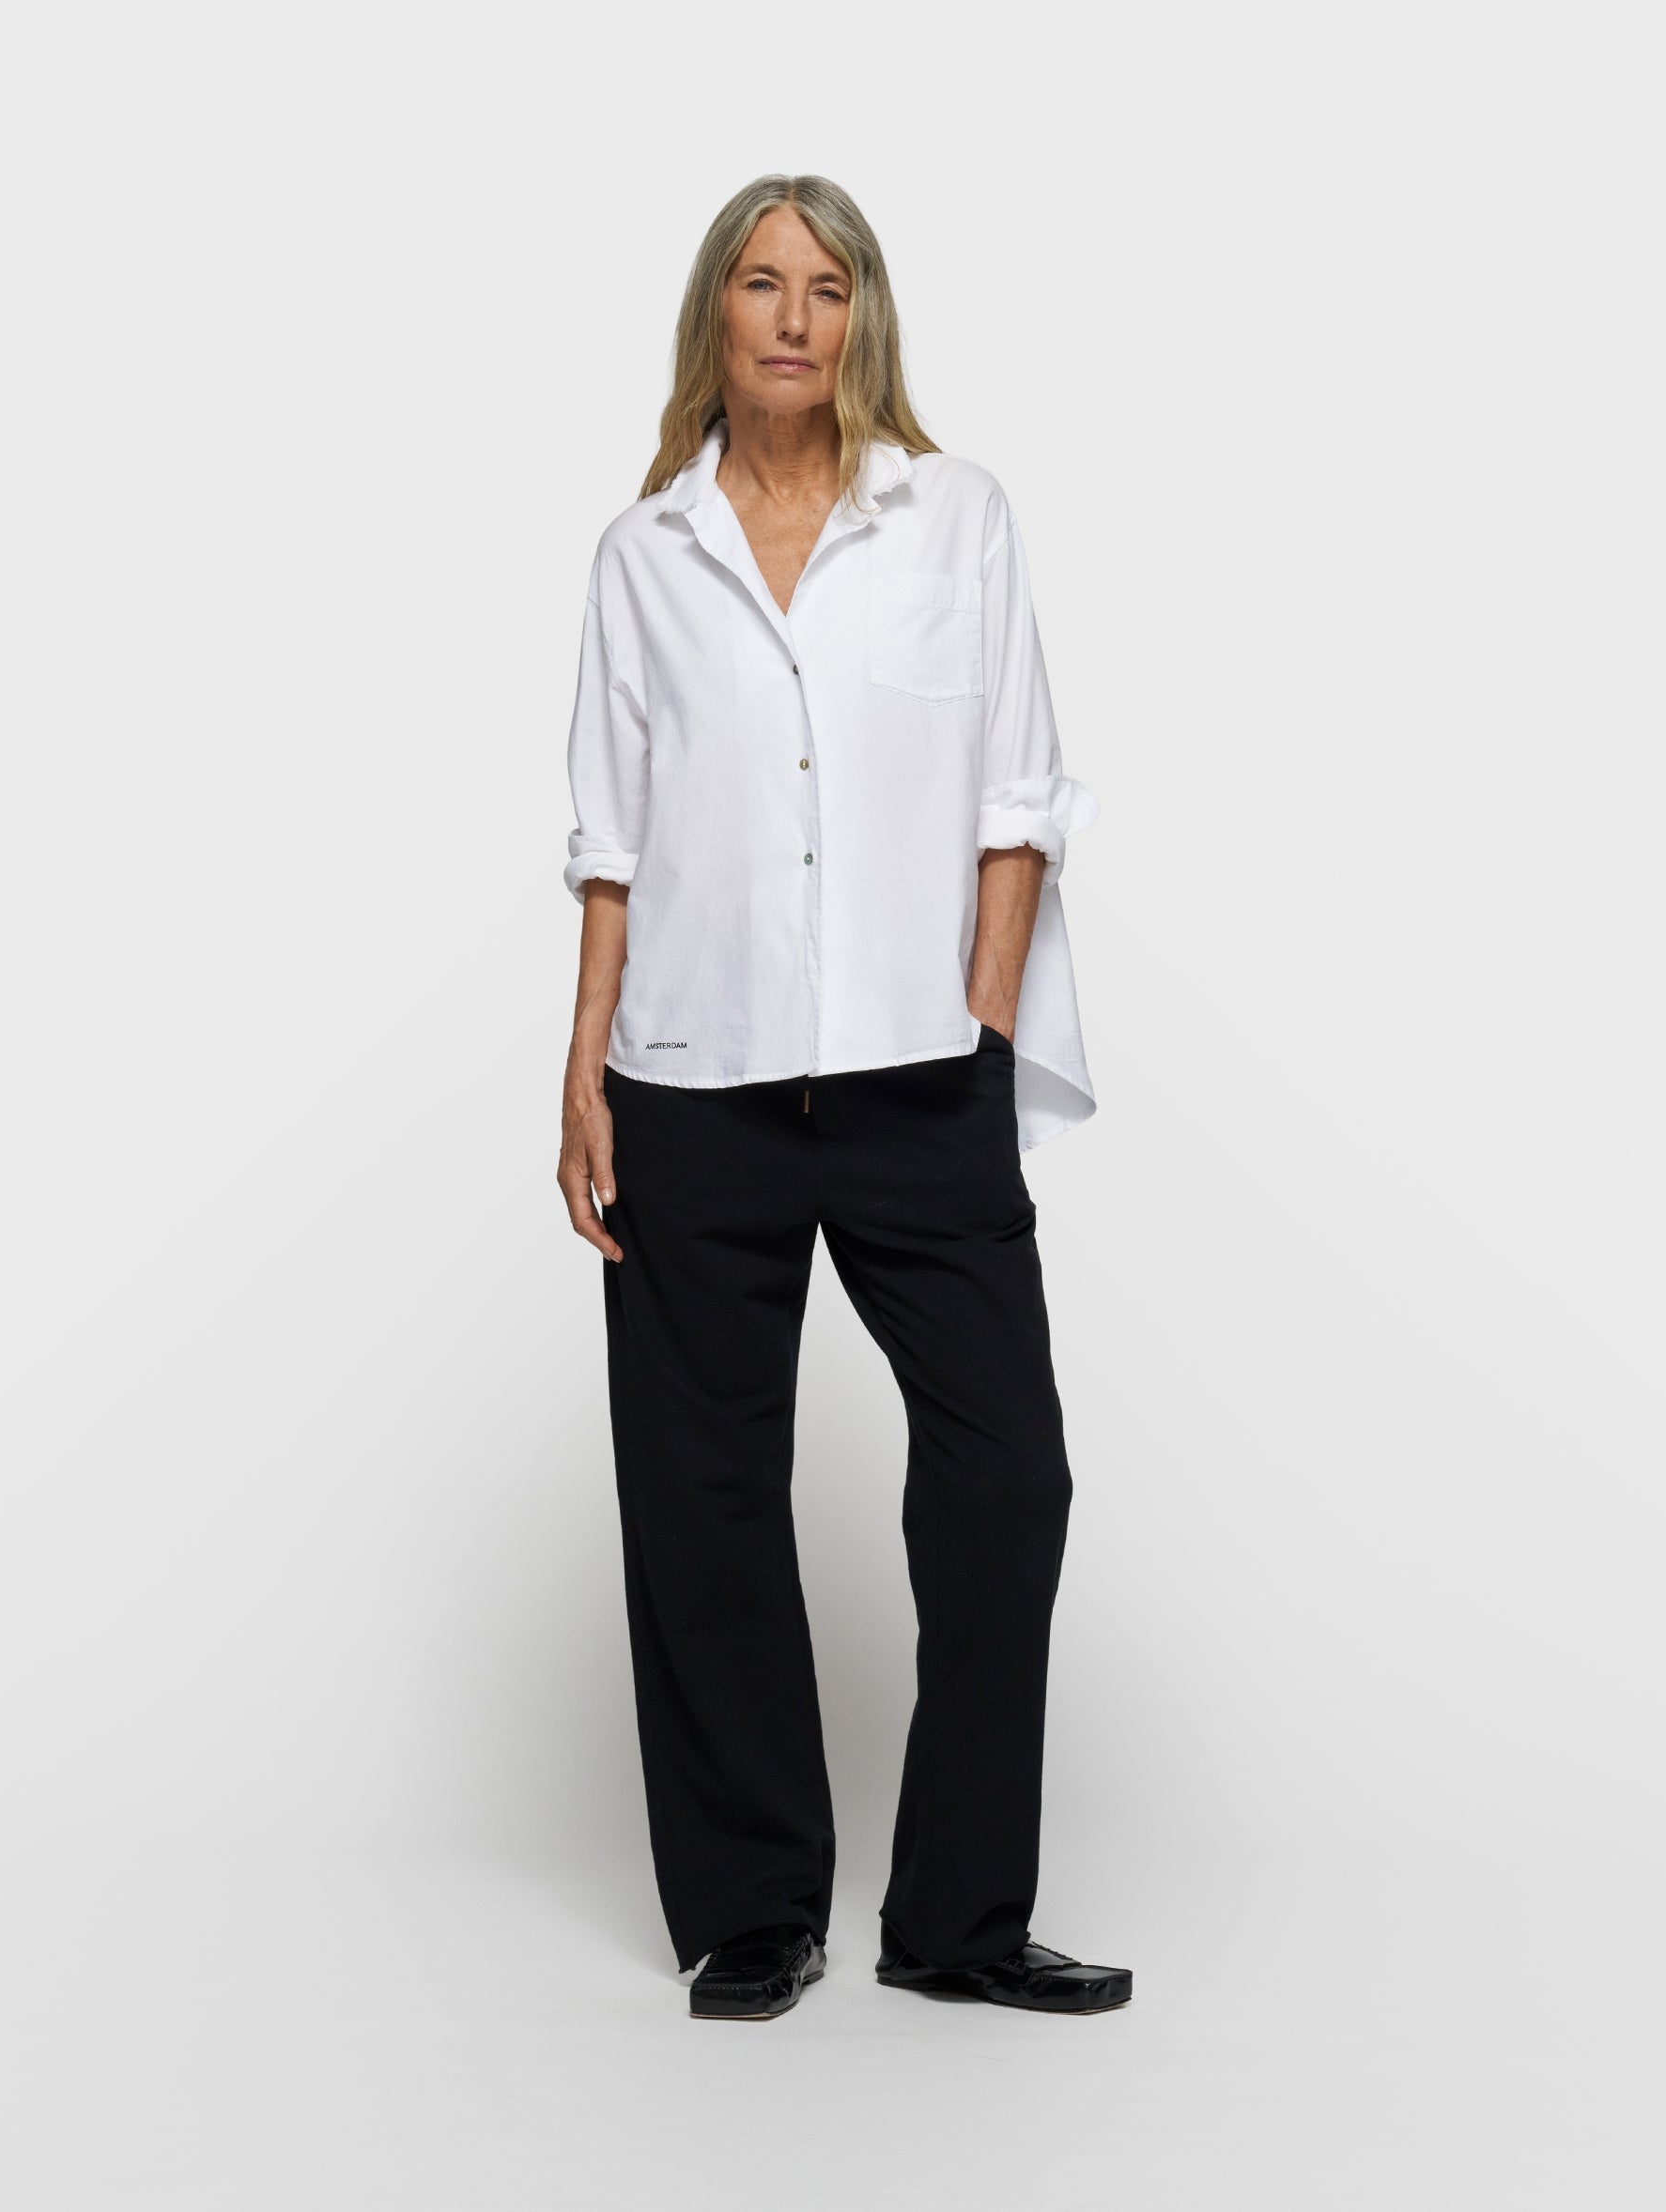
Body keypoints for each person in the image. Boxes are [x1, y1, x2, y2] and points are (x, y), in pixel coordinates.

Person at [557, 174, 1132, 2023]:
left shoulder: (955, 518)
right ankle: (751, 1908)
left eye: (827, 286)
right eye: (761, 283)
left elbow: (1018, 798)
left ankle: (958, 1915)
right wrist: (582, 1069)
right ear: (715, 317)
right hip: (692, 1080)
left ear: (862, 315)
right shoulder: (642, 555)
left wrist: (977, 1022)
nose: (794, 316)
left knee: (1006, 1476)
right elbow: (612, 846)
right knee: (701, 1487)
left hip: (916, 1080)